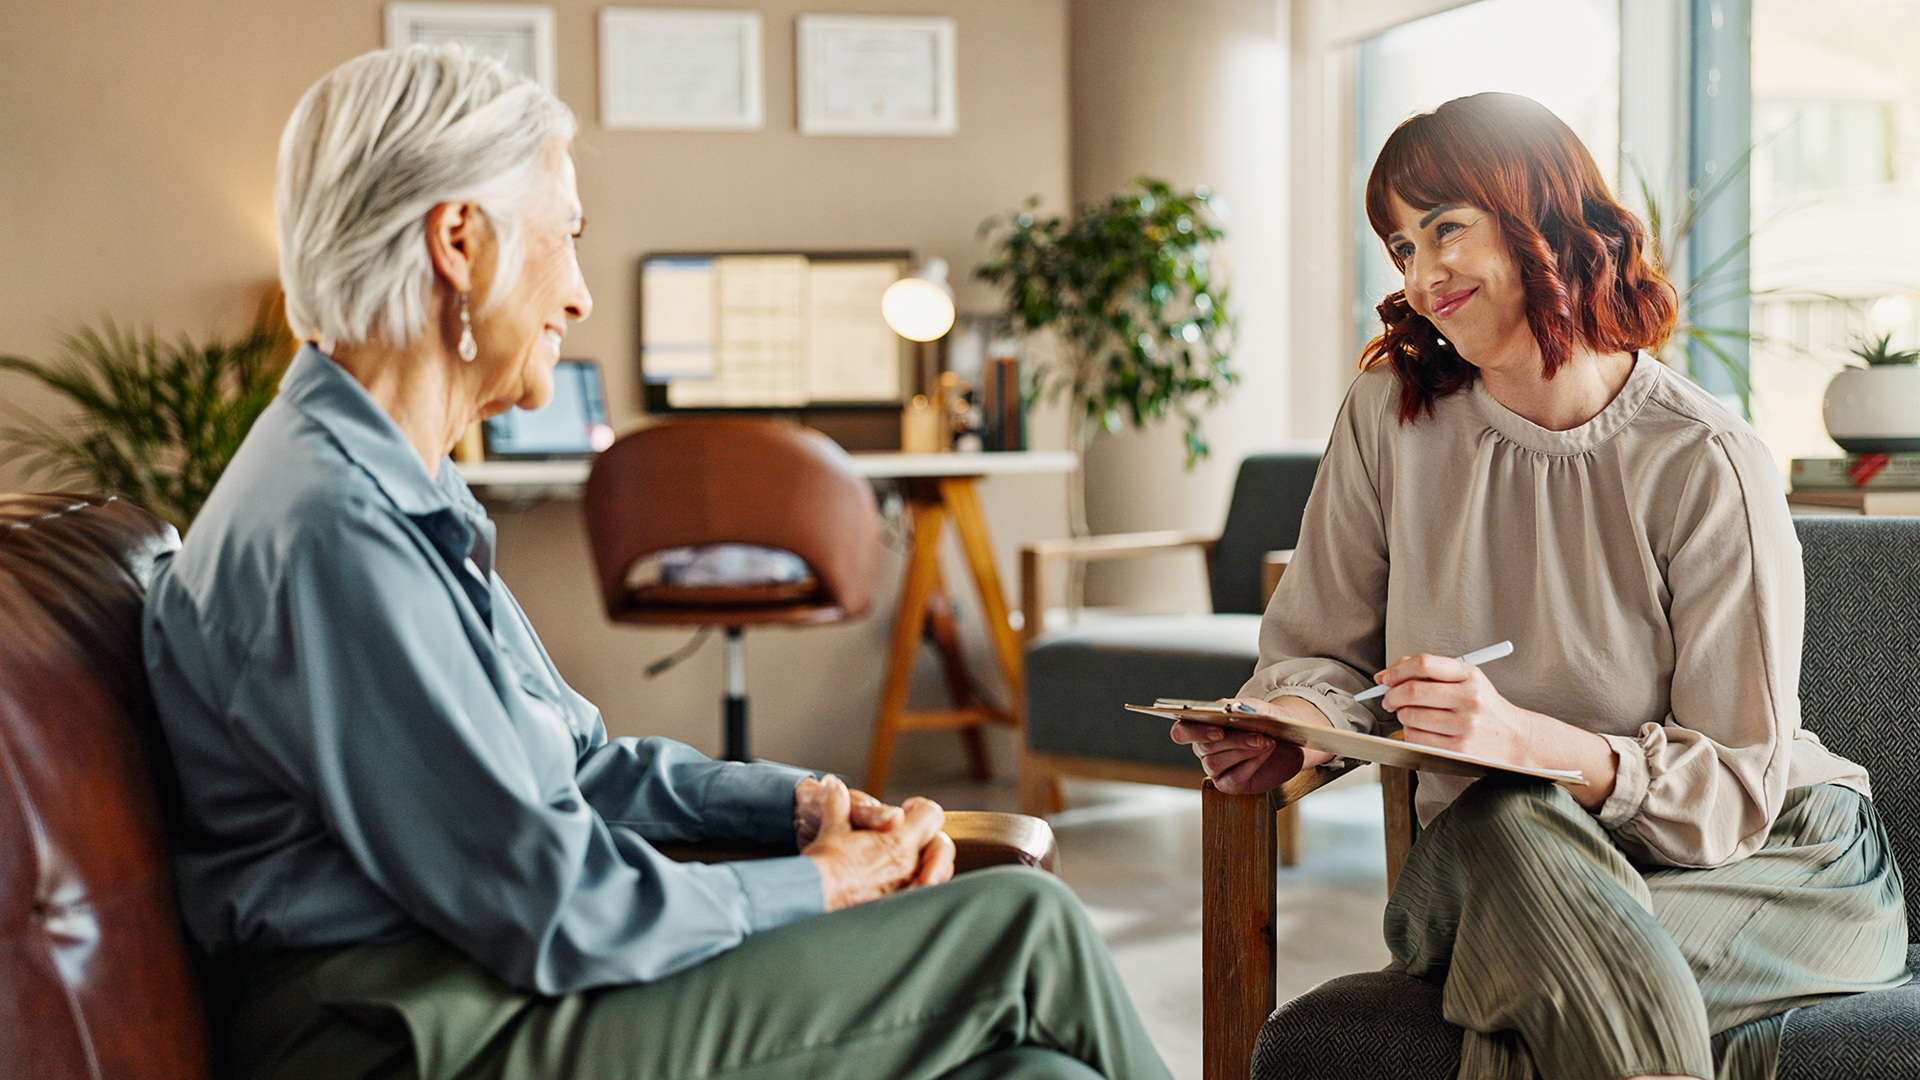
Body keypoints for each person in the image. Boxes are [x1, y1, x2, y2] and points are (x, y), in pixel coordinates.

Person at [145, 45, 1171, 1080]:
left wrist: (793, 807)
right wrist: (824, 882)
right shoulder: (336, 528)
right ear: (459, 240)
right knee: (1019, 929)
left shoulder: (390, 483)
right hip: (405, 1028)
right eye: (567, 240)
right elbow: (555, 906)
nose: (581, 296)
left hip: (465, 977)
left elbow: (576, 770)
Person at [1172, 92, 1908, 1080]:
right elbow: (1318, 650)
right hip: (1497, 855)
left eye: (1445, 229)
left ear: (1542, 221)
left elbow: (1734, 791)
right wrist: (1284, 725)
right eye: (1400, 246)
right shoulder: (1389, 419)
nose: (1422, 273)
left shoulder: (1702, 457)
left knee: (1531, 998)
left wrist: (1522, 739)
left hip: (1773, 864)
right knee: (1512, 822)